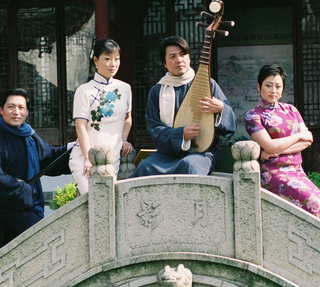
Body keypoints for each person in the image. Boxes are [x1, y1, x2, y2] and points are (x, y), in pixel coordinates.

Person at [0, 88, 72, 253]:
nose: (16, 112)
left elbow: (48, 158)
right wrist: (24, 189)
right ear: (1, 110)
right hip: (5, 216)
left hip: (30, 209)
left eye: (21, 108)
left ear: (27, 111)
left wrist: (75, 148)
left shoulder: (29, 135)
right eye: (11, 107)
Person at [129, 36, 236, 178]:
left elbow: (231, 125)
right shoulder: (157, 91)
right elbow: (154, 128)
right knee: (144, 167)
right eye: (172, 56)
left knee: (190, 166)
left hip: (202, 152)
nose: (179, 60)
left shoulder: (208, 85)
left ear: (189, 58)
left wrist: (221, 108)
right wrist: (180, 134)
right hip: (167, 154)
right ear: (164, 63)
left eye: (183, 54)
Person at [245, 64, 320, 218]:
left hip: (297, 171)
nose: (274, 90)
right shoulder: (253, 116)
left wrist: (276, 150)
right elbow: (270, 145)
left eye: (278, 86)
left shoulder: (291, 110)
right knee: (314, 204)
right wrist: (298, 136)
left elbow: (308, 141)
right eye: (268, 85)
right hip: (273, 173)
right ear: (259, 87)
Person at [69, 38, 133, 194]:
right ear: (96, 60)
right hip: (87, 158)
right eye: (107, 59)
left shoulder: (125, 88)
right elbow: (80, 126)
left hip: (113, 157)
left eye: (116, 59)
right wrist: (86, 158)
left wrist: (124, 139)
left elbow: (127, 118)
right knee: (92, 200)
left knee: (108, 204)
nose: (113, 64)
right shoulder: (84, 90)